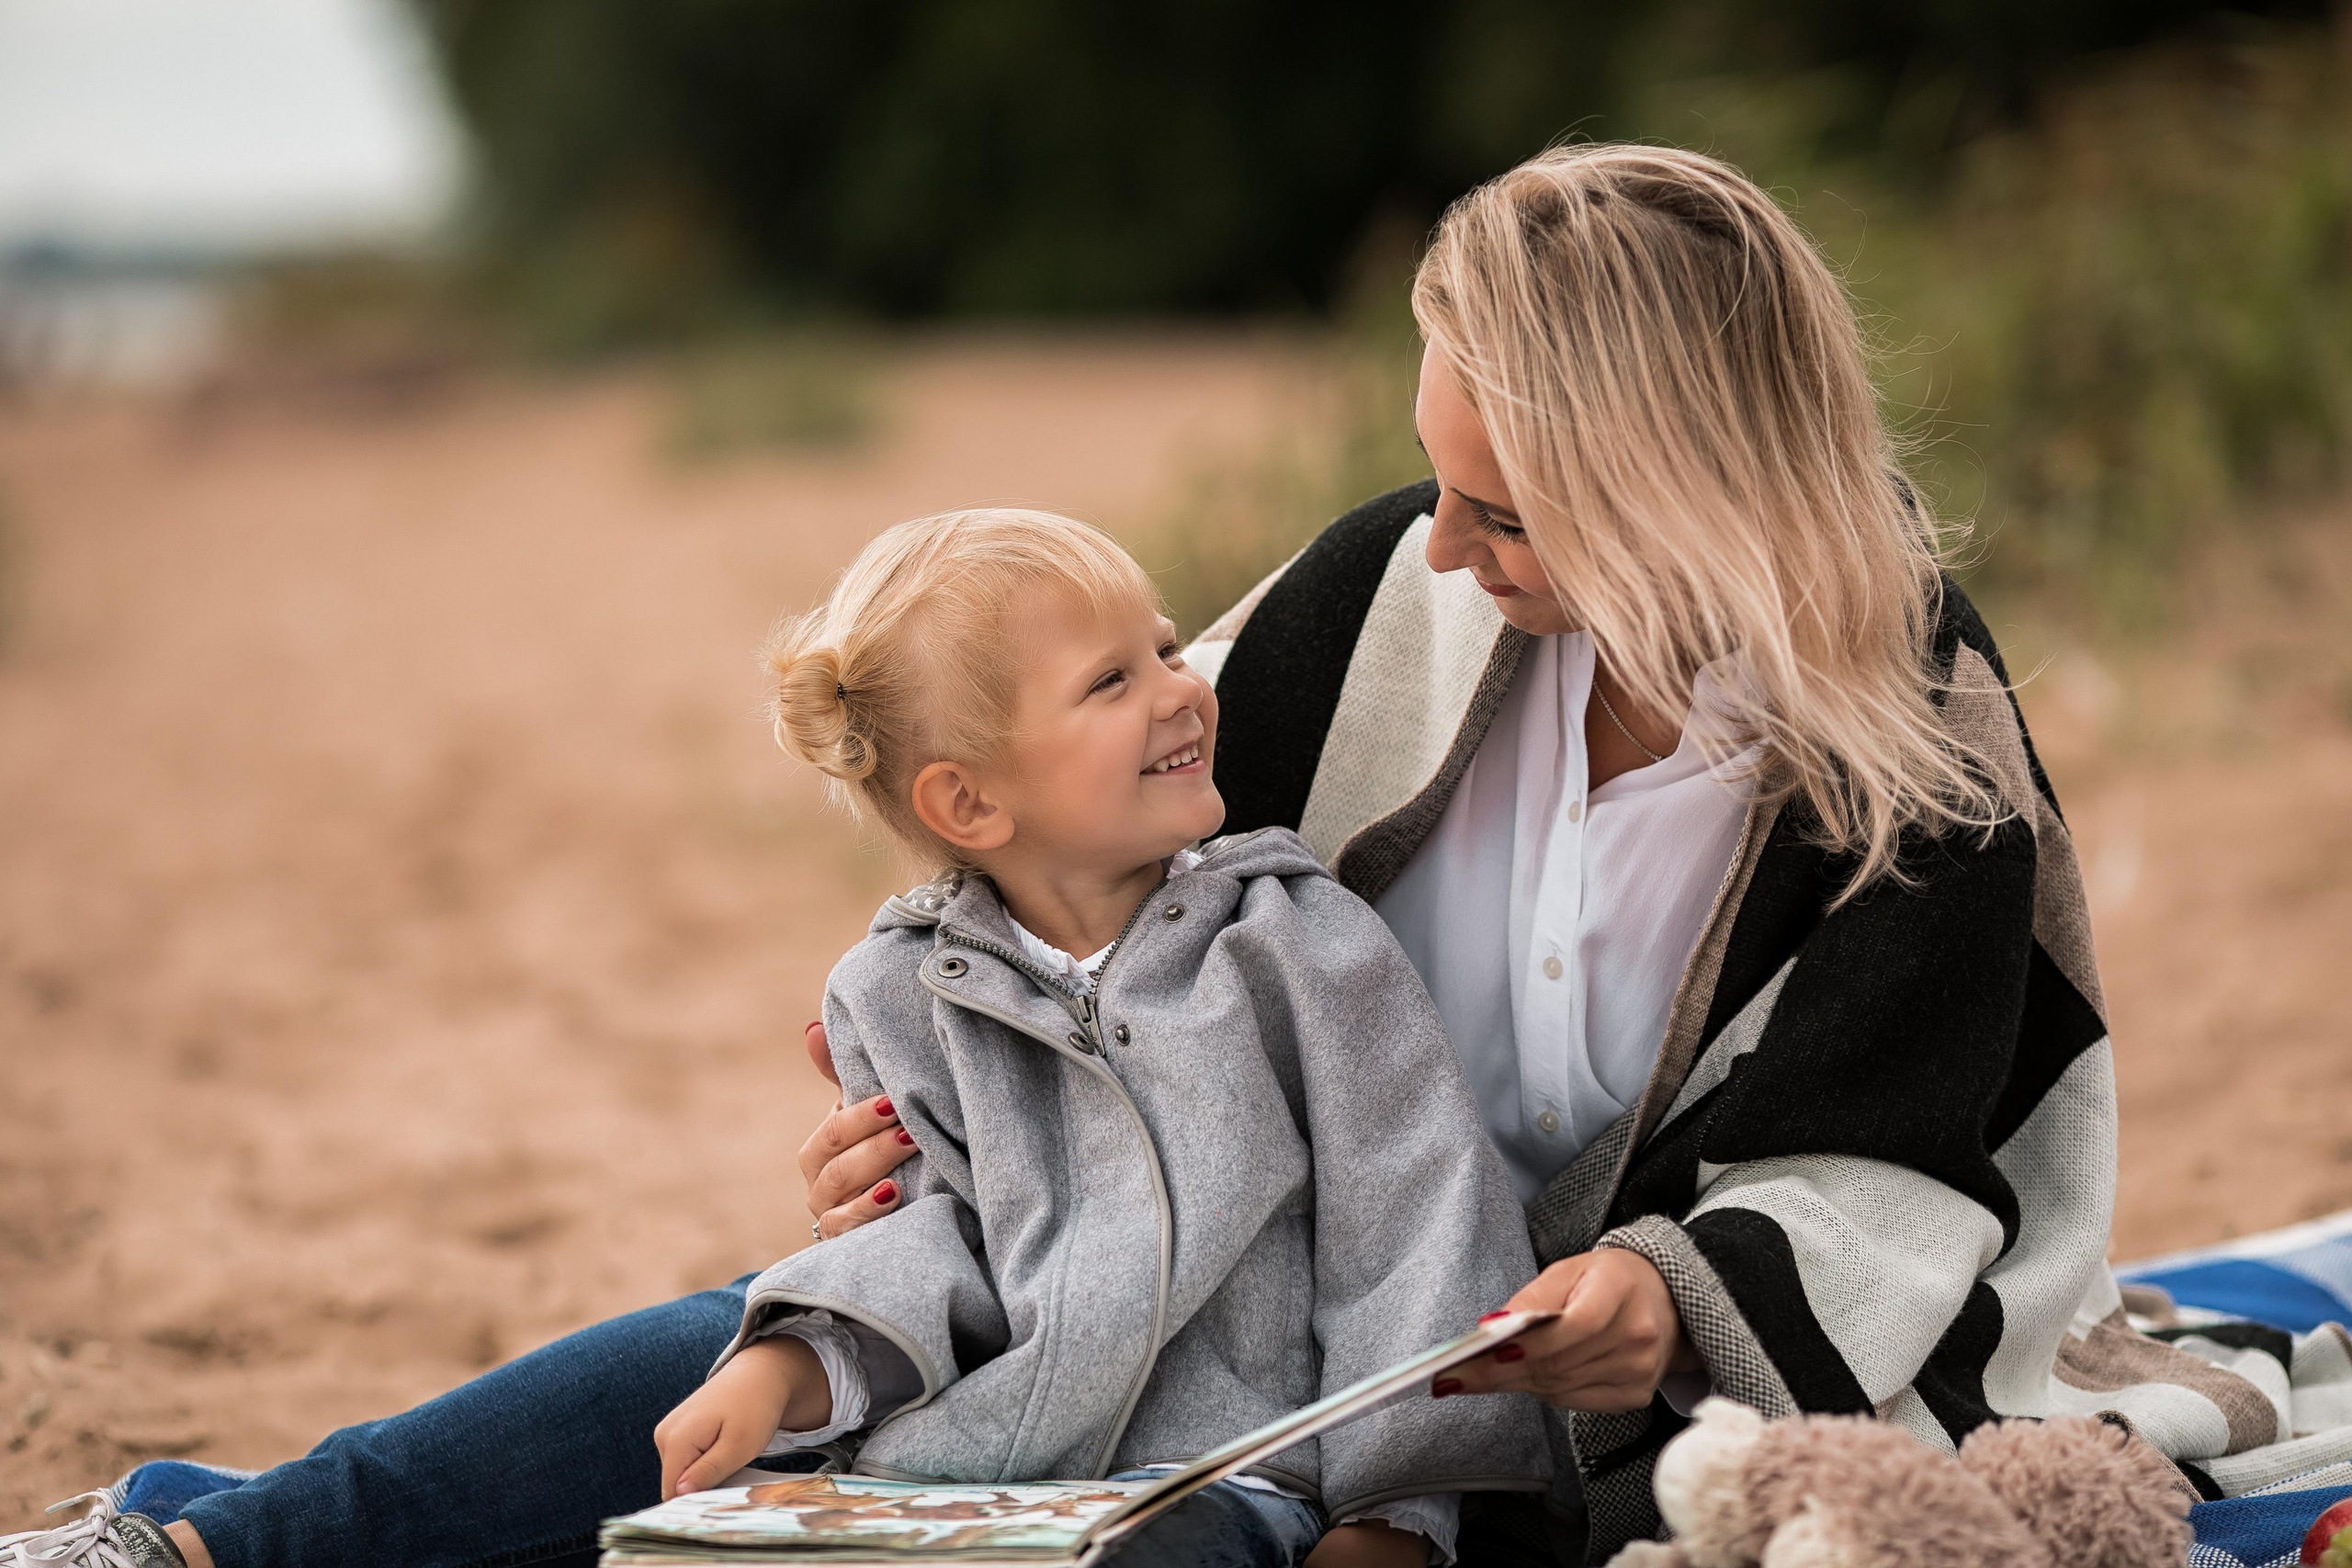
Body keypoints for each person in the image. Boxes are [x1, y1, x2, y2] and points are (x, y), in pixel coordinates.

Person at [796, 144, 2197, 1565]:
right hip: (1190, 1330)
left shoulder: (1910, 736)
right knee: (654, 1407)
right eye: (1437, 480)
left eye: (1507, 514)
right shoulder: (1387, 594)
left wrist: (1666, 1304)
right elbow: (1040, 827)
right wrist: (923, 1125)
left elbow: (1896, 1162)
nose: (1443, 547)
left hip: (1513, 1422)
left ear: (1688, 495)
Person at [3, 510, 1545, 1568]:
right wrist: (798, 1364)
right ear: (967, 805)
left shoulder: (1295, 944)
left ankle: (205, 1532)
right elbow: (930, 1239)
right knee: (708, 1485)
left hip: (1227, 1482)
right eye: (1117, 675)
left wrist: (1399, 1514)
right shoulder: (902, 990)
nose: (1185, 684)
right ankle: (196, 1538)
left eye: (1164, 647)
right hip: (969, 1474)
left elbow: (1420, 1227)